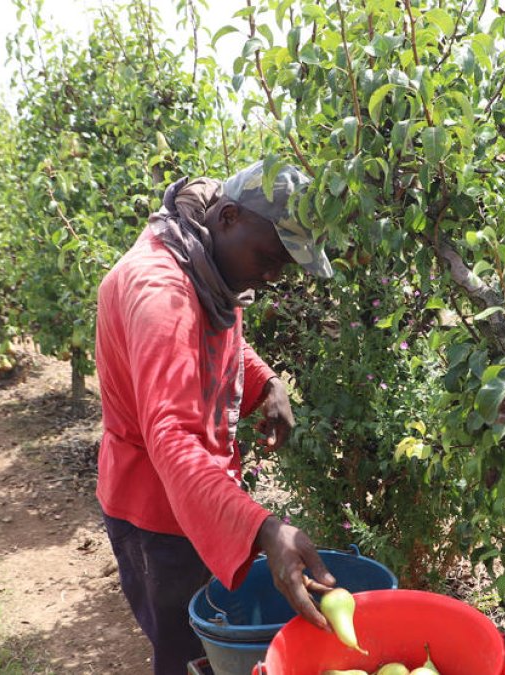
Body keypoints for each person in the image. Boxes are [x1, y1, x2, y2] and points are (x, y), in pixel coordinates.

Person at [94, 161, 337, 674]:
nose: (271, 276)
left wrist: (265, 379)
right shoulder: (161, 293)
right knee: (186, 655)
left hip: (196, 495)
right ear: (228, 216)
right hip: (156, 512)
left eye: (284, 267)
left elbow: (217, 340)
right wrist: (267, 530)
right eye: (270, 257)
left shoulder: (204, 262)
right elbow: (173, 438)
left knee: (213, 648)